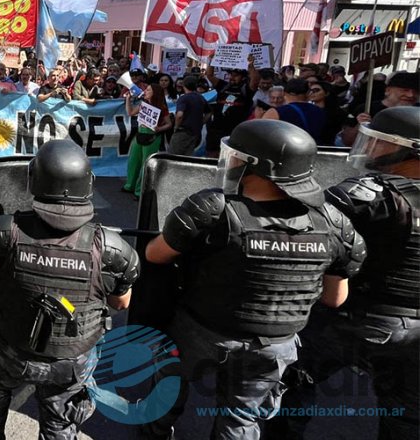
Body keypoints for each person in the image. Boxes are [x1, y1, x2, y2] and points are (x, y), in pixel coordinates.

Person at [141, 119, 365, 439]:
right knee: (241, 419)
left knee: (169, 386)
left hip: (202, 330)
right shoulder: (334, 223)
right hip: (276, 345)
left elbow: (155, 254)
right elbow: (335, 298)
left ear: (254, 167)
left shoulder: (215, 208)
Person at [0, 139, 140, 439]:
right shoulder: (113, 248)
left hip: (11, 352)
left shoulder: (5, 230)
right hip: (70, 364)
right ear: (88, 184)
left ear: (34, 181)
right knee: (59, 428)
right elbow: (121, 302)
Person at [267, 106, 419, 440]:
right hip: (414, 332)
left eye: (381, 143)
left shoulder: (371, 194)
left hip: (356, 317)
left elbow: (305, 229)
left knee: (289, 383)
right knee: (407, 420)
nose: (372, 149)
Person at [123, 83, 172, 198]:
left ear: (155, 93)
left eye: (148, 90)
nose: (145, 92)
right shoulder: (142, 105)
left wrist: (159, 128)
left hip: (152, 138)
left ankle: (140, 191)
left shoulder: (162, 108)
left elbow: (169, 124)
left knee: (146, 164)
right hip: (140, 134)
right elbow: (130, 113)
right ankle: (130, 186)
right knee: (133, 161)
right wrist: (128, 100)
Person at [262, 78, 327, 144]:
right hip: (315, 150)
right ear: (308, 93)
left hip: (286, 151)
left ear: (284, 93)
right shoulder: (321, 112)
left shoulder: (275, 112)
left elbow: (262, 136)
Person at [168, 75, 208, 156]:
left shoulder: (183, 98)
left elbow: (179, 115)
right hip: (195, 133)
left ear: (184, 85)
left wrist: (176, 126)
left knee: (173, 158)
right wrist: (201, 122)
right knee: (186, 158)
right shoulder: (200, 98)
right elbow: (209, 112)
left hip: (182, 132)